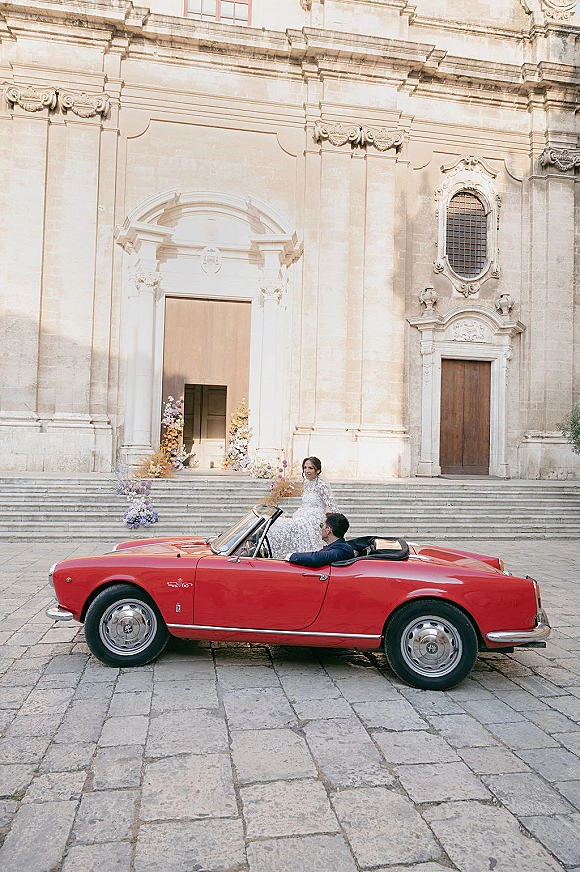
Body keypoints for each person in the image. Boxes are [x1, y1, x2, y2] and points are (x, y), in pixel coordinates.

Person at [266, 456, 338, 558]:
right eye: (305, 468)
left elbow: (333, 508)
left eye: (310, 468)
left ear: (318, 470)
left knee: (284, 526)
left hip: (314, 520)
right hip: (303, 516)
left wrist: (332, 526)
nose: (307, 471)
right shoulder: (307, 484)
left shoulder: (322, 485)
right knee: (275, 523)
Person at [284, 513, 355, 567]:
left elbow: (316, 558)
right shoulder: (337, 546)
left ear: (328, 530)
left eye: (321, 525)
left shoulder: (343, 550)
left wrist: (289, 556)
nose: (320, 529)